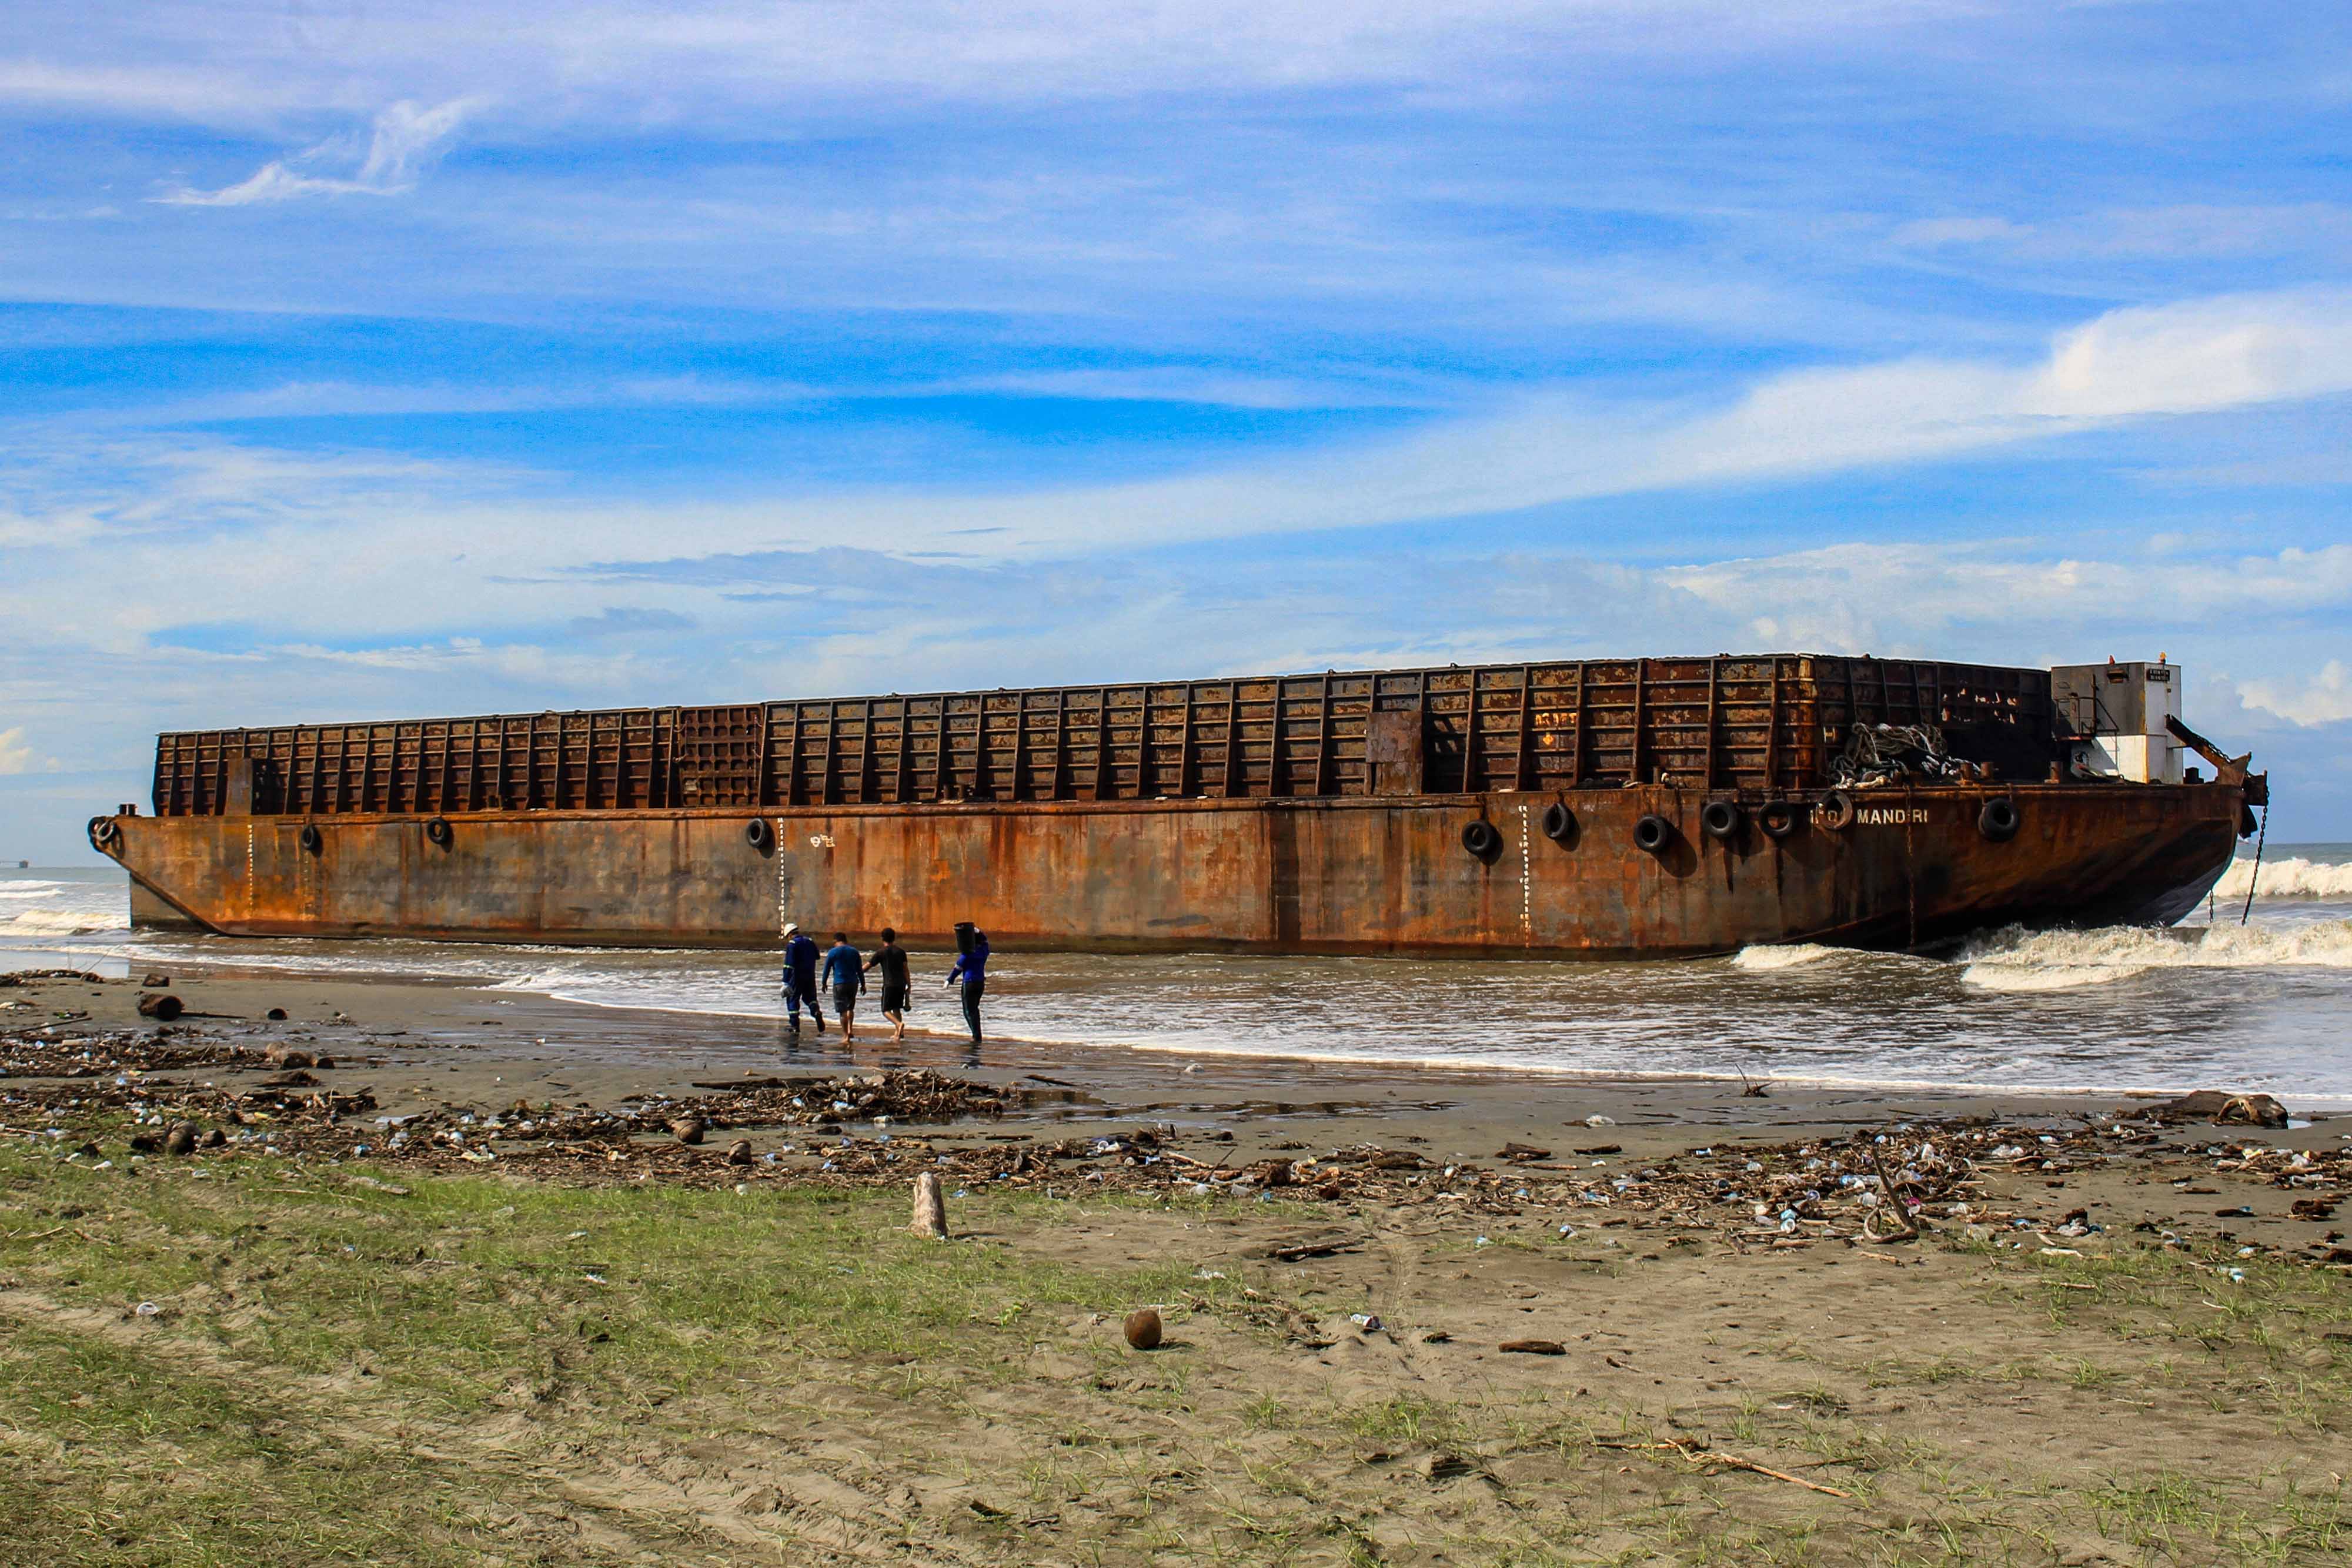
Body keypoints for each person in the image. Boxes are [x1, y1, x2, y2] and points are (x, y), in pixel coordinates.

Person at [864, 927, 911, 1044]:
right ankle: (899, 1033)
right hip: (901, 985)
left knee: (885, 1010)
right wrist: (909, 985)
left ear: (882, 938)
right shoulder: (901, 952)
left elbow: (868, 966)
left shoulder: (881, 952)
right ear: (894, 938)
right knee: (897, 1009)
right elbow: (906, 970)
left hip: (889, 985)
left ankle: (898, 1024)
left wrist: (857, 973)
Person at [946, 924, 988, 1047]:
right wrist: (979, 932)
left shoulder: (967, 954)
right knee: (975, 1009)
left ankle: (976, 1036)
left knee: (968, 1011)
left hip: (969, 983)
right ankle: (977, 1034)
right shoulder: (983, 952)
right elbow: (985, 941)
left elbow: (958, 968)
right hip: (980, 983)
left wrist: (949, 980)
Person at [780, 922, 824, 1035]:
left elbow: (788, 965)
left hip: (796, 977)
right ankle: (816, 1012)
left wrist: (785, 981)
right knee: (810, 998)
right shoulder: (809, 941)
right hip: (810, 976)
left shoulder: (792, 944)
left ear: (789, 935)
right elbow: (818, 956)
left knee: (792, 999)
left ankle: (795, 1025)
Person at [823, 930, 866, 1043]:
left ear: (835, 941)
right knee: (850, 1008)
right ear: (846, 940)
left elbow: (826, 970)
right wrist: (863, 984)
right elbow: (859, 970)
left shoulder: (833, 952)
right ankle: (850, 1030)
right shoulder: (854, 952)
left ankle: (846, 1036)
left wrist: (824, 983)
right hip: (853, 983)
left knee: (842, 1011)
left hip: (839, 984)